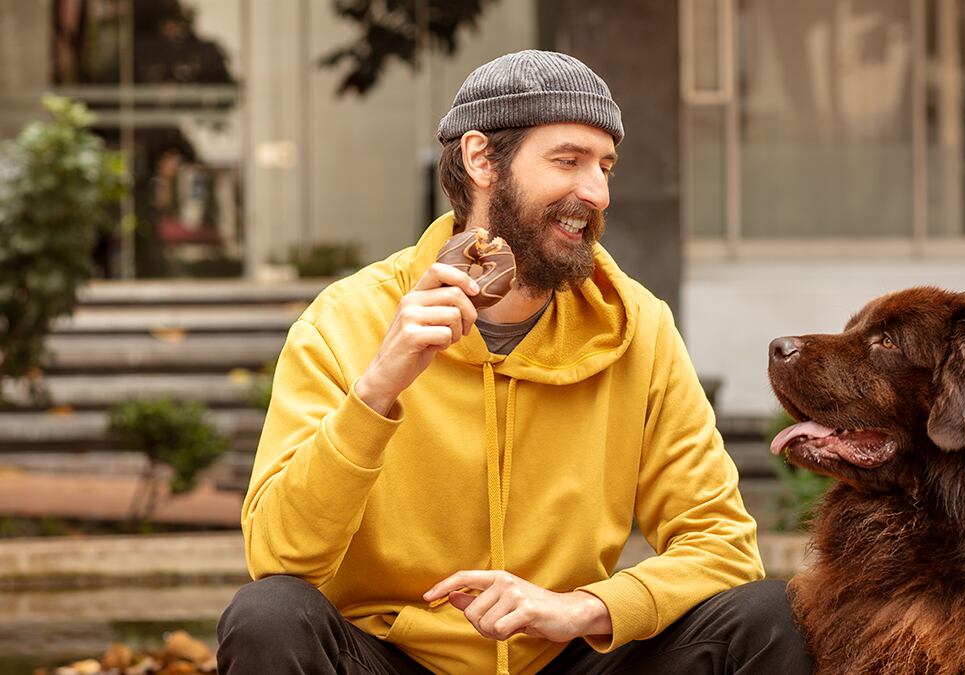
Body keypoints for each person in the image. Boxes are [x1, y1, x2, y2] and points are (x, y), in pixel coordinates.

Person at [216, 50, 811, 674]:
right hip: (391, 660)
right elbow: (280, 557)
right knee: (268, 615)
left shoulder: (639, 327)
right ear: (480, 161)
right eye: (567, 160)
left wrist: (581, 608)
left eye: (605, 165)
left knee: (768, 616)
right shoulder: (344, 321)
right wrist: (377, 390)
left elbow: (723, 547)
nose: (596, 190)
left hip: (566, 657)